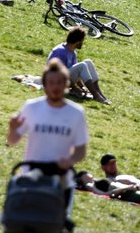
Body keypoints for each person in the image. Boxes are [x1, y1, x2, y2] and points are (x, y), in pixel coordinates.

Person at [7, 59, 89, 191]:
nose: (55, 87)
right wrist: (12, 128)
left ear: (66, 85)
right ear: (44, 85)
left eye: (59, 83)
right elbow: (12, 141)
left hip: (61, 182)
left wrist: (69, 161)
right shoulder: (31, 107)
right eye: (51, 83)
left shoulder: (76, 113)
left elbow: (81, 151)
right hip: (30, 177)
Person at [48, 27, 110, 104]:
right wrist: (75, 89)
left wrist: (81, 86)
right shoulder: (60, 51)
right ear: (77, 41)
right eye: (82, 41)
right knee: (82, 65)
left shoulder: (73, 53)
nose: (82, 43)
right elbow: (60, 74)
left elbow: (76, 72)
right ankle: (96, 95)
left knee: (88, 62)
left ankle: (100, 94)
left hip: (66, 80)